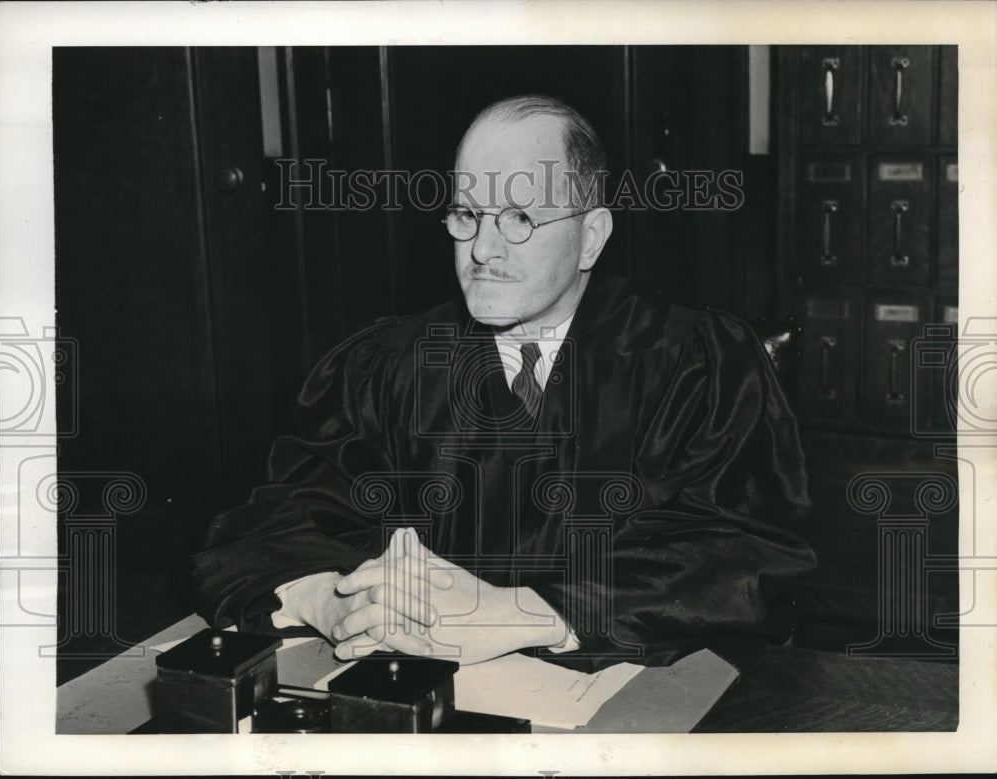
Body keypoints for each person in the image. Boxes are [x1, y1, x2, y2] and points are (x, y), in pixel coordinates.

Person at [190, 95, 816, 672]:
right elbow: (277, 518)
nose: (483, 248)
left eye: (519, 216)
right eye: (467, 214)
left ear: (590, 236)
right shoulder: (385, 364)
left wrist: (518, 615)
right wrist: (332, 601)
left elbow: (742, 552)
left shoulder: (693, 363)